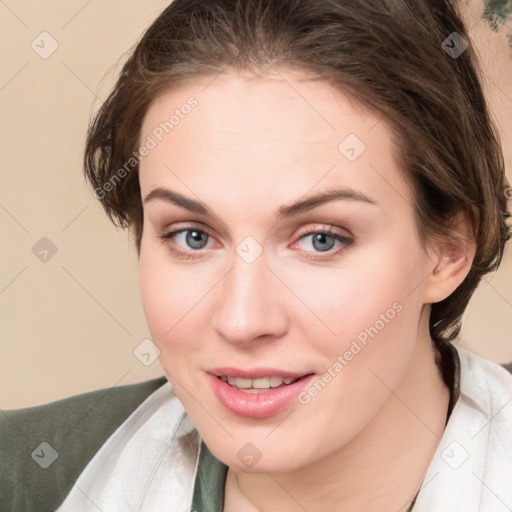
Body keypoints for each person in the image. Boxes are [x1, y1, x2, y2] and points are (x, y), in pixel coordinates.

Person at [1, 0, 512, 511]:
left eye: (321, 239)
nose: (242, 321)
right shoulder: (25, 479)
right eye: (192, 237)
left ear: (449, 250)